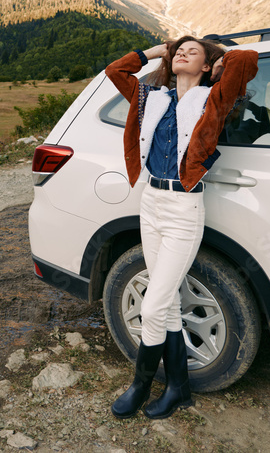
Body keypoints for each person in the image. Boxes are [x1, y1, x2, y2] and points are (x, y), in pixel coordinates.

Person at [104, 36, 259, 420]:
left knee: (153, 304)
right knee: (168, 301)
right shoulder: (152, 99)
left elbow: (248, 59)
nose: (183, 54)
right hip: (151, 202)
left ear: (207, 67)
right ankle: (178, 389)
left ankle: (140, 385)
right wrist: (155, 52)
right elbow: (115, 71)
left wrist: (221, 60)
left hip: (183, 208)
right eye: (179, 50)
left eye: (194, 52)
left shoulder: (213, 100)